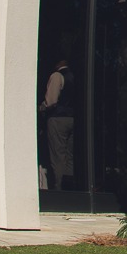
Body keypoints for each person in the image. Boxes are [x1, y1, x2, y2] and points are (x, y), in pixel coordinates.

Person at [38, 58, 76, 191]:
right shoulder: (73, 76)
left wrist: (41, 107)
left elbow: (51, 101)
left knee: (58, 155)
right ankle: (69, 186)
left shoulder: (57, 76)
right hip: (72, 118)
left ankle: (59, 189)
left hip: (58, 118)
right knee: (69, 156)